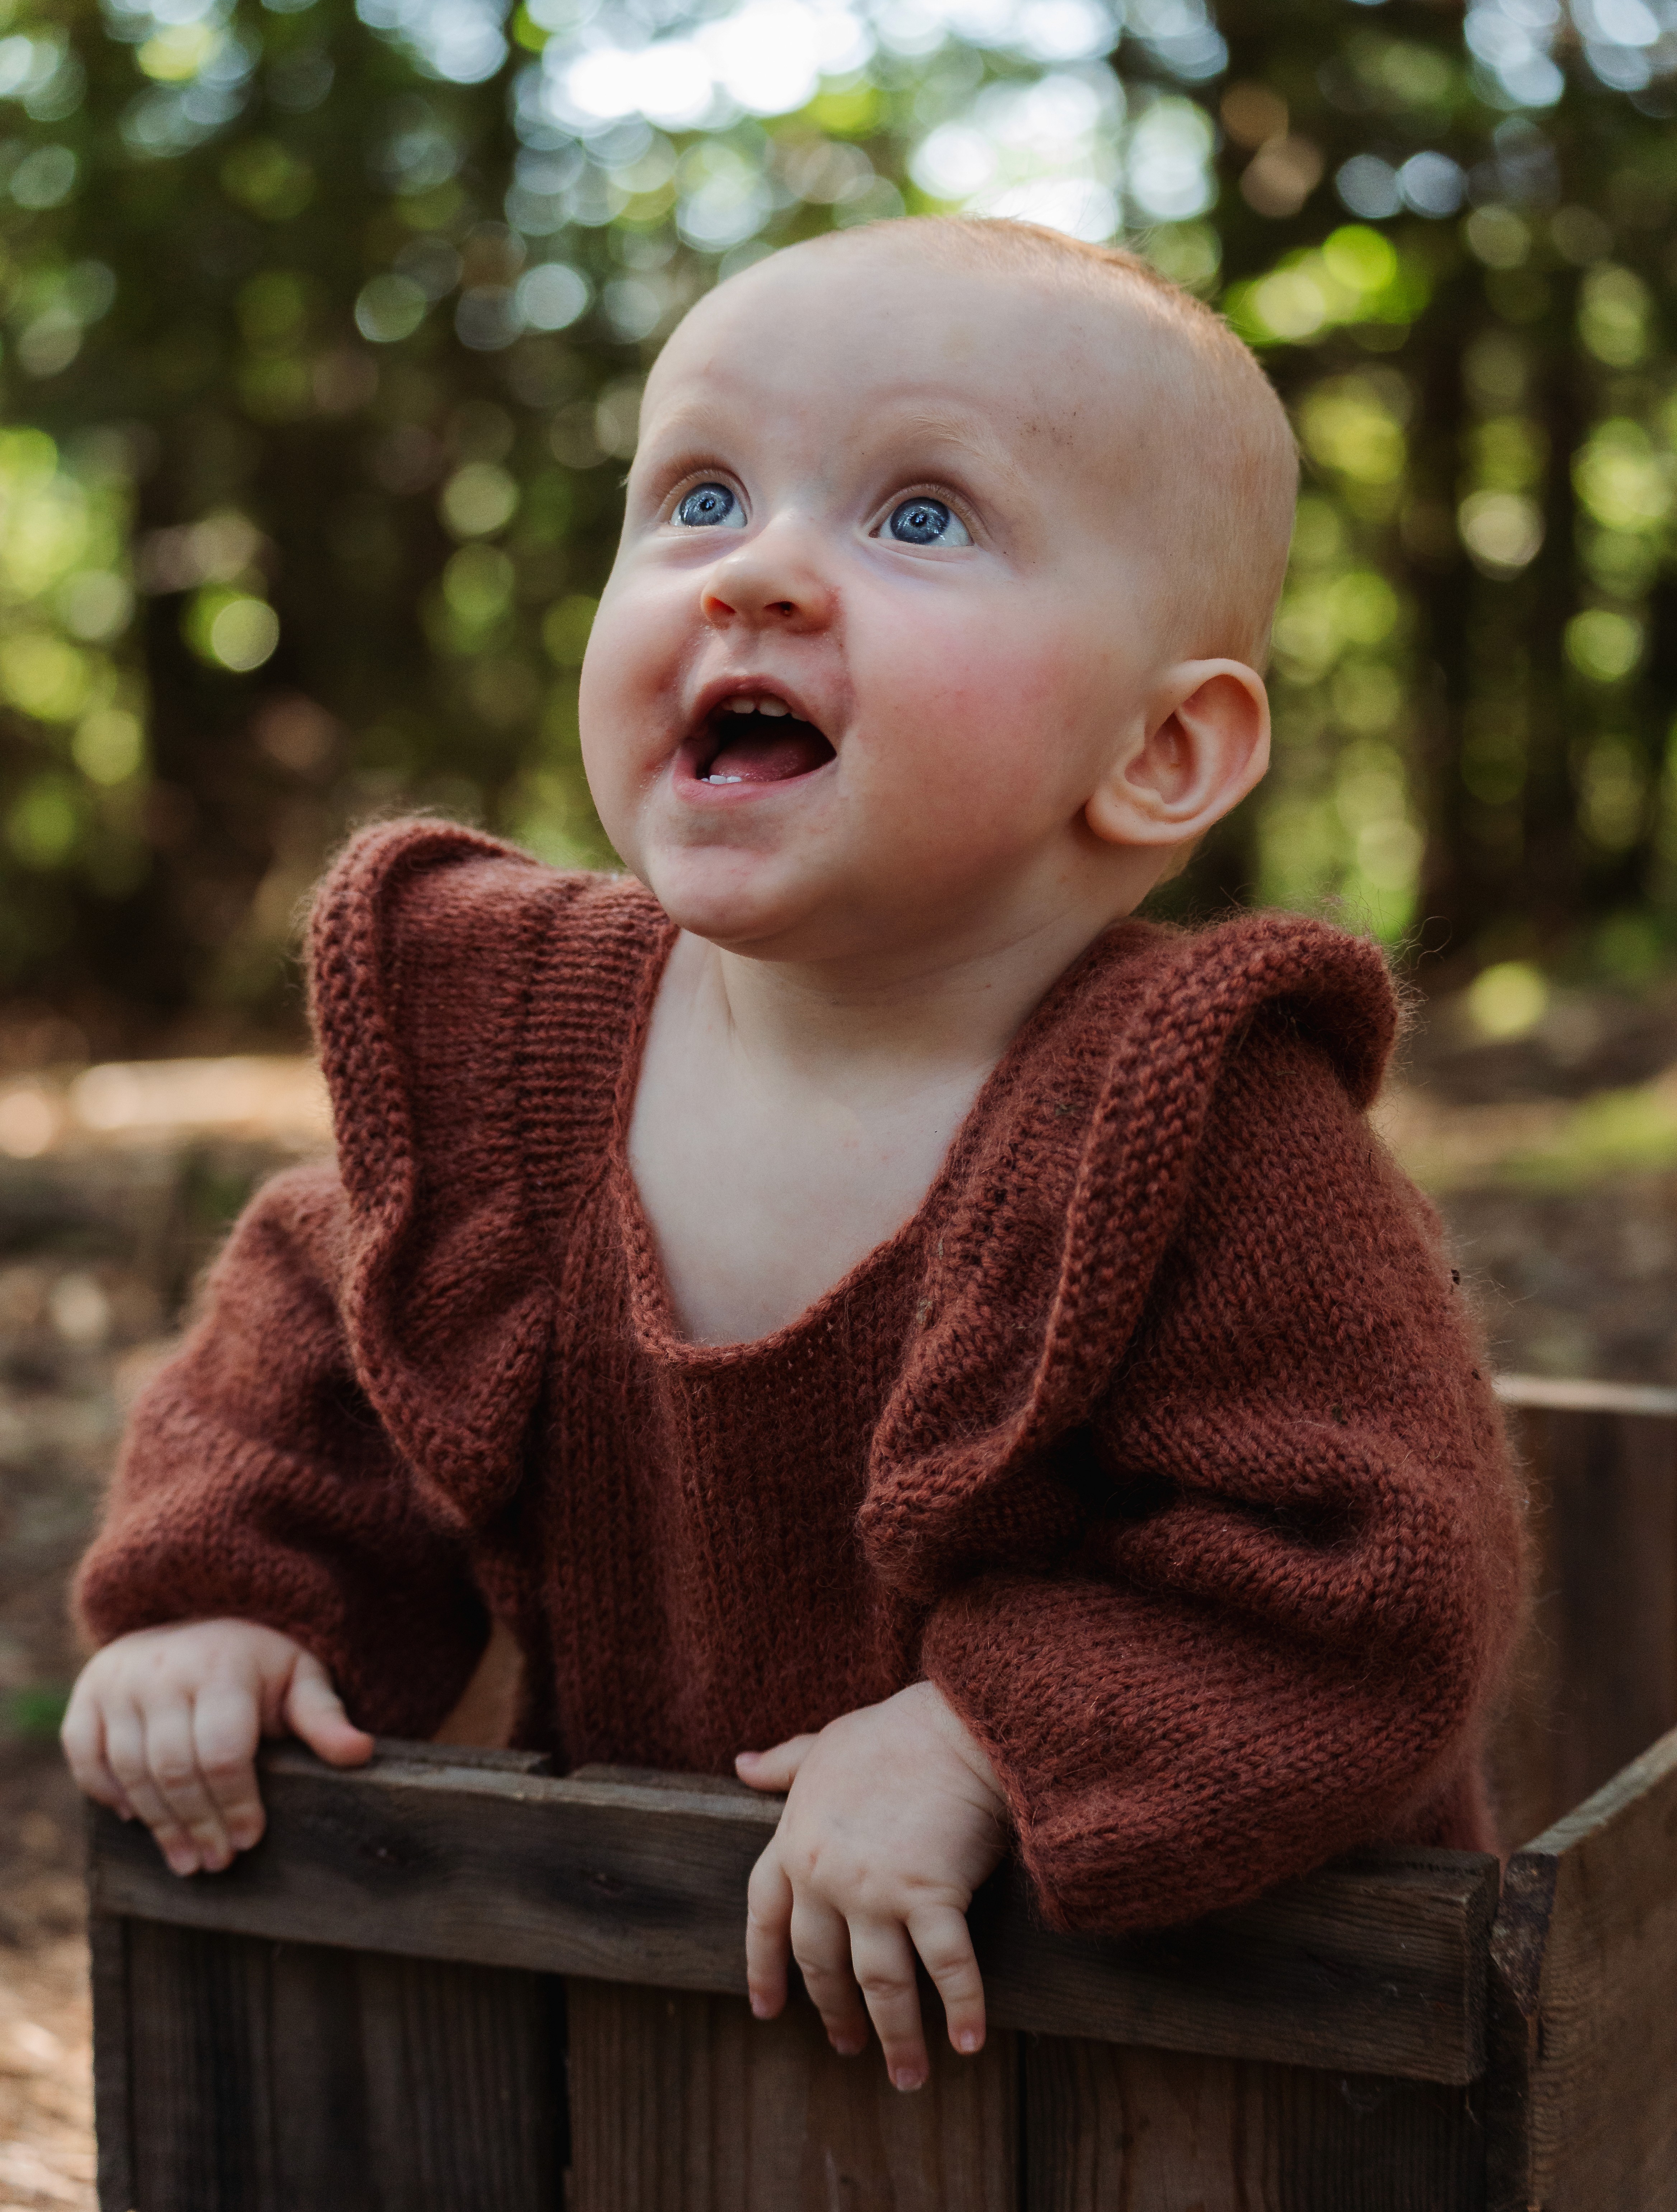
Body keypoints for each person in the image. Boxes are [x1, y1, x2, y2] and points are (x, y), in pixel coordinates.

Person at [61, 216, 1525, 2098]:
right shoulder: (513, 1060)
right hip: (654, 2024)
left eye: (921, 517)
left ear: (1162, 749)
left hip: (1179, 2079)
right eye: (699, 497)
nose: (753, 572)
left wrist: (996, 1735)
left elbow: (1372, 1592)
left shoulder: (1201, 1134)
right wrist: (234, 1609)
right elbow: (337, 1360)